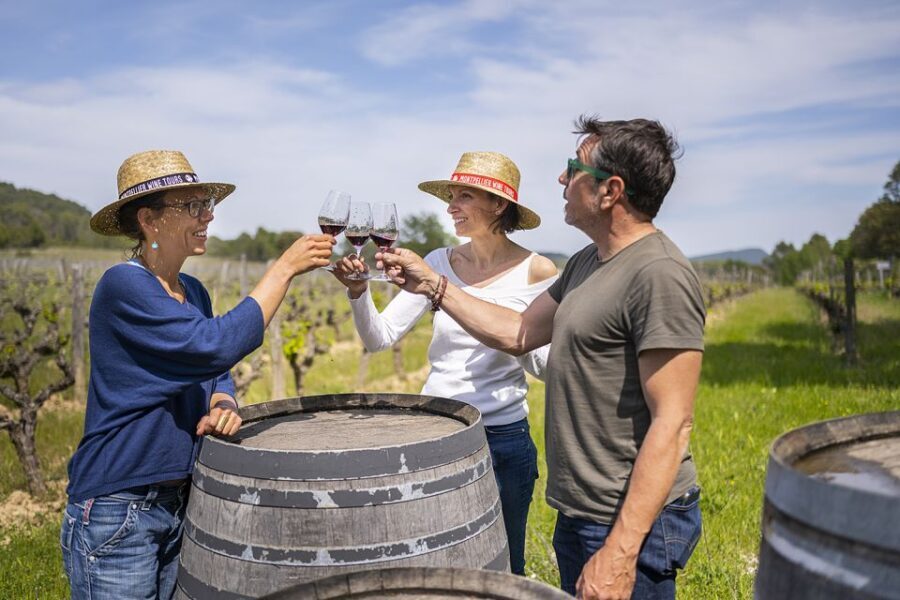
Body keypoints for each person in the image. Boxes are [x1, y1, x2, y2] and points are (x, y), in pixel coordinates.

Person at [377, 118, 705, 600]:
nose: (560, 179)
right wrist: (433, 284)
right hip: (581, 509)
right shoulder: (587, 263)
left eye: (574, 169)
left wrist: (621, 551)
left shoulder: (660, 274)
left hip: (628, 519)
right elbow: (518, 332)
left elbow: (673, 424)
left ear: (611, 191)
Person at [61, 150, 335, 599]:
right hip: (118, 506)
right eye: (192, 206)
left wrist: (221, 400)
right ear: (149, 221)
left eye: (207, 204)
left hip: (178, 501)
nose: (208, 215)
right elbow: (215, 344)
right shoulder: (124, 285)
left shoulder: (193, 291)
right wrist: (284, 269)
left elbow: (212, 367)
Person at [331, 151, 558, 576]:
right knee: (434, 566)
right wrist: (358, 293)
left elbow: (545, 367)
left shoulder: (536, 270)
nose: (451, 206)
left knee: (504, 566)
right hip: (437, 432)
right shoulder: (437, 263)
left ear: (498, 205)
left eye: (465, 196)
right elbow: (379, 338)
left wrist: (509, 333)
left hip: (503, 441)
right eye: (450, 196)